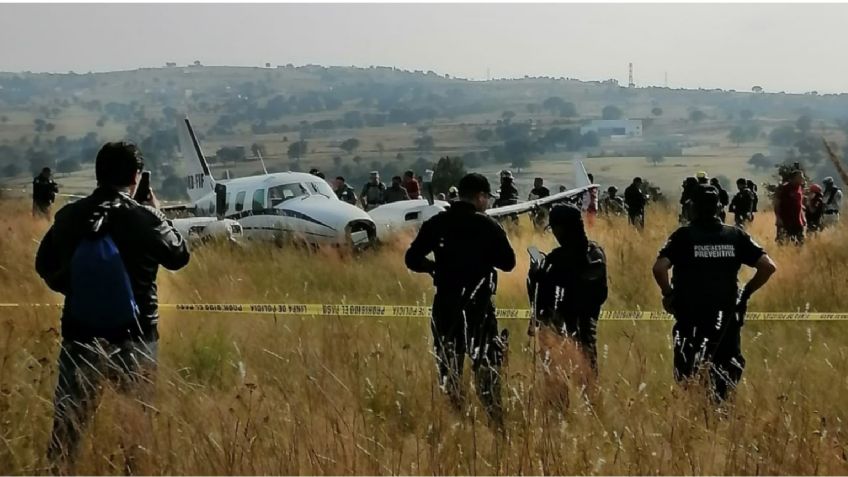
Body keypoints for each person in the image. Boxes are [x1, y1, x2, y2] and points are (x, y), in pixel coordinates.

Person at [35, 142, 191, 470]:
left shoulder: (70, 216)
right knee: (135, 434)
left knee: (66, 432)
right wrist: (157, 211)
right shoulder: (143, 218)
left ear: (97, 174)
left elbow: (45, 265)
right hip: (137, 338)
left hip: (80, 335)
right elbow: (179, 256)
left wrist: (78, 286)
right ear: (136, 176)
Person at [405, 173, 516, 428]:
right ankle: (495, 424)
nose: (487, 203)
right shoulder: (487, 225)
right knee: (486, 370)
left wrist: (434, 268)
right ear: (480, 197)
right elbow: (508, 263)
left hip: (446, 304)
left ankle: (457, 424)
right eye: (486, 198)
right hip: (479, 307)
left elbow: (412, 258)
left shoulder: (437, 223)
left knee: (449, 368)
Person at [652, 185, 776, 402]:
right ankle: (720, 414)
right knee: (725, 374)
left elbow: (659, 268)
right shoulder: (735, 235)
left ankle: (693, 416)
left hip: (690, 316)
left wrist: (669, 294)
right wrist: (745, 293)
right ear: (720, 208)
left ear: (693, 208)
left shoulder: (683, 236)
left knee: (688, 373)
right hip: (726, 317)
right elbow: (767, 267)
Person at [527, 204, 608, 377]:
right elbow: (601, 294)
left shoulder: (555, 261)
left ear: (560, 228)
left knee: (557, 390)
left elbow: (542, 301)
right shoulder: (595, 253)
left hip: (557, 333)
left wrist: (536, 273)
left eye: (554, 228)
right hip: (586, 330)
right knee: (589, 386)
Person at [774, 169, 806, 245]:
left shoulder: (799, 188)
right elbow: (777, 204)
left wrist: (802, 217)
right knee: (783, 243)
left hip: (798, 222)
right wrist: (778, 218)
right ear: (794, 178)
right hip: (786, 221)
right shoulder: (784, 188)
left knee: (800, 243)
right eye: (800, 177)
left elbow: (799, 204)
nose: (803, 178)